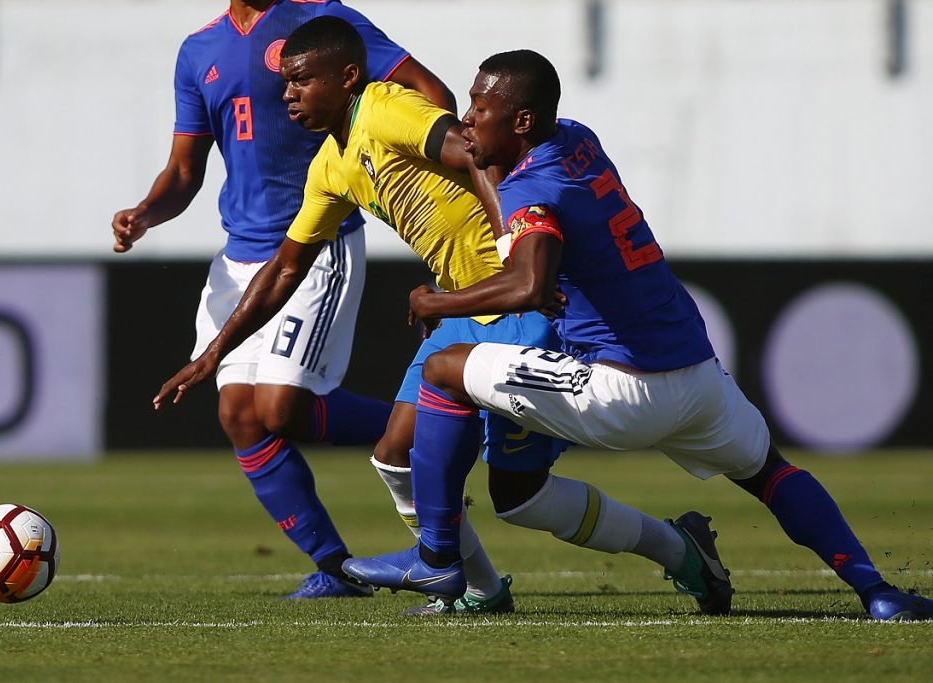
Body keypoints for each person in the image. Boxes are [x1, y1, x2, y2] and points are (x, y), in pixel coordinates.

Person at [155, 17, 737, 617]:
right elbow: (283, 269)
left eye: (301, 80)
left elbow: (475, 153)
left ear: (348, 78)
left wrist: (516, 254)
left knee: (520, 497)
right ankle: (477, 589)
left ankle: (679, 550)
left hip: (512, 302)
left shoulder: (385, 108)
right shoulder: (330, 166)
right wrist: (214, 353)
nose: (288, 95)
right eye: (285, 84)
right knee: (393, 454)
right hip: (464, 305)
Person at [345, 50, 933, 621]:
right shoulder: (577, 137)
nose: (466, 118)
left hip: (620, 390)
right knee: (770, 473)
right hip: (699, 378)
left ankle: (437, 558)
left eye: (478, 106)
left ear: (521, 120)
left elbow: (527, 283)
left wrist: (435, 299)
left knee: (446, 366)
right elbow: (537, 240)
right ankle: (877, 590)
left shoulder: (532, 191)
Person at [111, 0, 456, 600]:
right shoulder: (199, 51)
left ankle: (441, 427)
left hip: (317, 244)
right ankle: (337, 568)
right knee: (240, 417)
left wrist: (393, 169)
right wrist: (145, 213)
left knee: (277, 406)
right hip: (240, 257)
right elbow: (185, 170)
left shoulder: (321, 19)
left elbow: (431, 93)